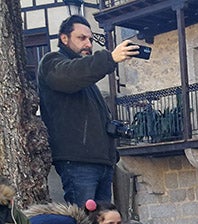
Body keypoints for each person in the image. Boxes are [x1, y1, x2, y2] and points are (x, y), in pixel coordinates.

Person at [37, 15, 142, 207]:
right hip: (77, 162)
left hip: (101, 162)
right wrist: (109, 58)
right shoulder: (52, 62)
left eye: (91, 39)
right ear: (64, 39)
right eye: (81, 38)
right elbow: (72, 74)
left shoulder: (86, 80)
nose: (88, 44)